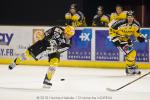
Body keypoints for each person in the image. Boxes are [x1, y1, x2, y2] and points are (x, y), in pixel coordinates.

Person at [8, 26, 75, 88]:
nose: (69, 36)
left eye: (71, 35)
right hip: (44, 44)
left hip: (54, 50)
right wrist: (49, 39)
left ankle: (47, 81)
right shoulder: (56, 29)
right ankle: (15, 63)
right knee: (27, 55)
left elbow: (58, 50)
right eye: (68, 34)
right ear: (65, 32)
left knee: (55, 62)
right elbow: (45, 34)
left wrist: (51, 48)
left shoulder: (69, 43)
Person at [109, 10, 145, 75]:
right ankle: (129, 69)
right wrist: (115, 39)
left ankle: (132, 67)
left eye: (131, 17)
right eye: (128, 17)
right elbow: (111, 30)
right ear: (126, 17)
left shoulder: (136, 25)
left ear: (134, 17)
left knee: (132, 53)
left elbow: (137, 33)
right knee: (131, 53)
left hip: (126, 40)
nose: (130, 18)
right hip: (118, 41)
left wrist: (139, 37)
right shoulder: (119, 23)